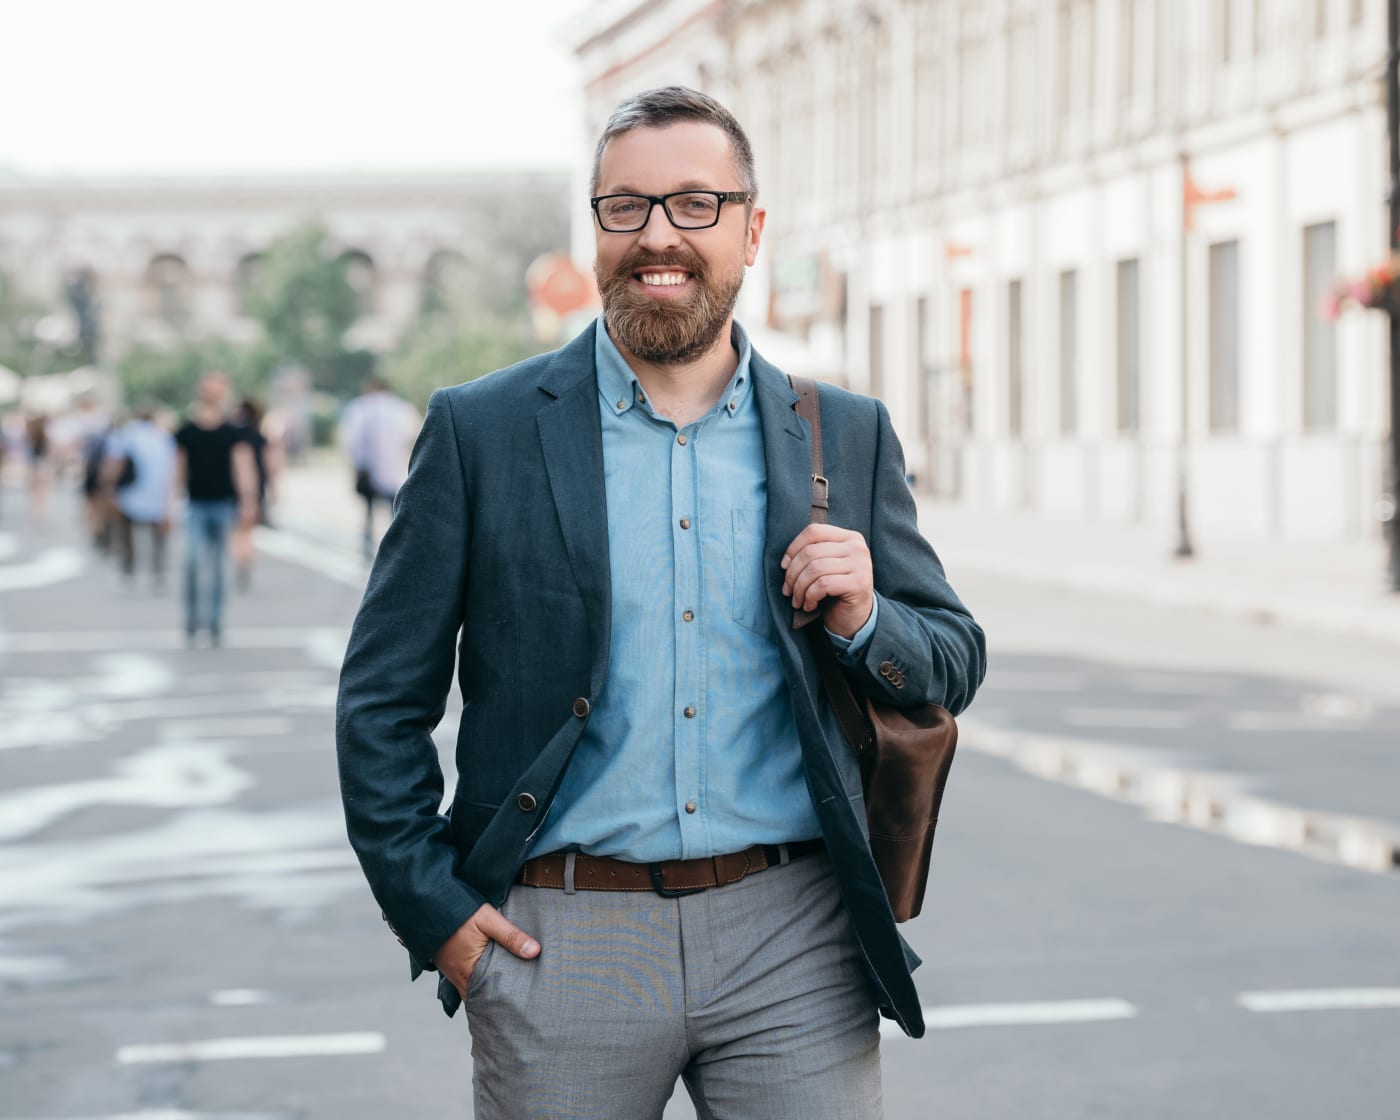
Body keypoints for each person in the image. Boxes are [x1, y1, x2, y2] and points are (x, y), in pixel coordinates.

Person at [336, 87, 986, 1119]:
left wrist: (866, 617)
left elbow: (951, 656)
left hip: (794, 937)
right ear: (593, 227)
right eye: (624, 208)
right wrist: (439, 915)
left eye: (694, 204)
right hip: (560, 936)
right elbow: (380, 700)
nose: (657, 237)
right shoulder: (482, 431)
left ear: (750, 229)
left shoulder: (842, 432)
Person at [174, 371, 257, 646]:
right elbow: (179, 469)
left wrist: (248, 501)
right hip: (196, 505)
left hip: (223, 505)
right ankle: (192, 618)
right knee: (194, 562)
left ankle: (215, 621)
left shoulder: (234, 432)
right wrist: (170, 502)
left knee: (221, 566)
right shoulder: (186, 431)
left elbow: (243, 468)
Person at [338, 377, 419, 558]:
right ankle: (395, 546)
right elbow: (412, 434)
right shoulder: (401, 408)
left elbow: (351, 440)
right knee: (394, 509)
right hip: (394, 468)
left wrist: (357, 463)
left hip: (367, 469)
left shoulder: (359, 407)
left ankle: (367, 545)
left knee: (368, 509)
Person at [102, 403, 177, 589]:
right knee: (158, 535)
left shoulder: (126, 435)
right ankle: (158, 573)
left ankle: (128, 571)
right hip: (158, 493)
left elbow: (115, 463)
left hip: (130, 491)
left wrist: (109, 486)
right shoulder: (163, 437)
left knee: (126, 533)